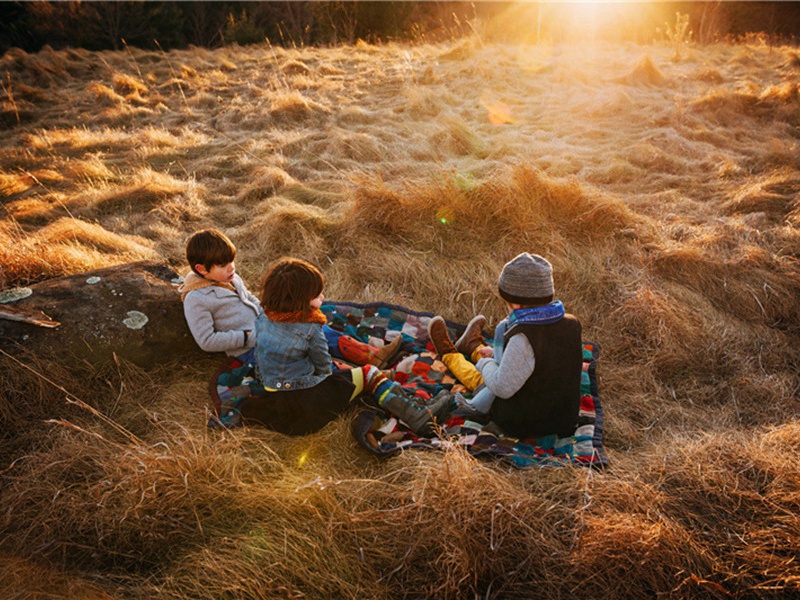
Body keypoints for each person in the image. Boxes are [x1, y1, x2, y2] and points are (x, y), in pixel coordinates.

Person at [244, 257, 452, 436]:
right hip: (308, 407)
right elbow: (325, 369)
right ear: (300, 301)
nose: (323, 298)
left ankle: (418, 406)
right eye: (317, 296)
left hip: (280, 403)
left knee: (354, 374)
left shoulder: (264, 320)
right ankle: (417, 416)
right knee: (369, 374)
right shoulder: (309, 328)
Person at [179, 229, 400, 366]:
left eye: (231, 261)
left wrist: (274, 316)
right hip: (252, 349)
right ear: (202, 269)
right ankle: (366, 378)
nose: (231, 267)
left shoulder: (230, 278)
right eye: (223, 264)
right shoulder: (196, 299)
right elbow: (206, 341)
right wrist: (247, 337)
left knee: (314, 327)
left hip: (270, 327)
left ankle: (372, 356)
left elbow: (251, 301)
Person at [427, 253, 582, 440]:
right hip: (563, 418)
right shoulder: (572, 323)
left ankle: (450, 353)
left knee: (485, 379)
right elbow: (546, 359)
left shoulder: (524, 337)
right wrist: (494, 354)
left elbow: (502, 387)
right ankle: (472, 345)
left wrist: (484, 363)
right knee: (495, 360)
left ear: (515, 304)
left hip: (526, 422)